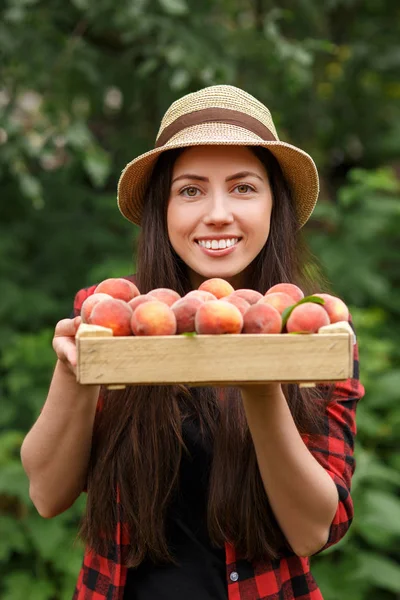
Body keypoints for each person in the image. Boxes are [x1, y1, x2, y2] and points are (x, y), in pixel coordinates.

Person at [21, 85, 365, 600]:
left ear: (276, 204)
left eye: (244, 188)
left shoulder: (311, 330)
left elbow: (312, 530)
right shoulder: (115, 319)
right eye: (191, 190)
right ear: (163, 209)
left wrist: (259, 376)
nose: (218, 213)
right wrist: (74, 372)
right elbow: (47, 495)